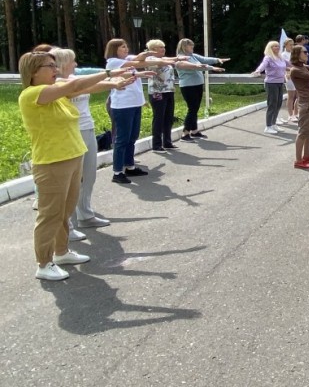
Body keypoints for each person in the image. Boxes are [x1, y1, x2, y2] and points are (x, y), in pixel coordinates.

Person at [19, 50, 133, 280]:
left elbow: (83, 88)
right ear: (33, 72)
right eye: (49, 66)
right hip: (51, 162)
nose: (55, 70)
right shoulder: (33, 94)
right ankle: (43, 263)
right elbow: (74, 85)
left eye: (55, 65)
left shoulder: (55, 93)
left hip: (72, 157)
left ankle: (61, 252)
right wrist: (109, 73)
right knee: (49, 214)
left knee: (65, 210)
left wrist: (114, 82)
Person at [105, 39, 173, 184]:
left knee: (133, 136)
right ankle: (117, 172)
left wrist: (142, 69)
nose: (126, 49)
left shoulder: (127, 59)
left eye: (126, 46)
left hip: (135, 103)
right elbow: (138, 63)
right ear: (114, 49)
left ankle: (129, 166)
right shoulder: (113, 62)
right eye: (123, 47)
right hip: (122, 106)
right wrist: (149, 54)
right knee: (122, 139)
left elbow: (138, 59)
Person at [145, 39, 216, 154]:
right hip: (157, 92)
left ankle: (167, 142)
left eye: (164, 47)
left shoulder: (165, 59)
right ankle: (156, 145)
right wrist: (178, 59)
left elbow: (169, 62)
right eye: (160, 47)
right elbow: (164, 63)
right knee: (159, 118)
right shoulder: (150, 59)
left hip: (169, 91)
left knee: (168, 118)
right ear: (153, 50)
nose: (163, 49)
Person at [175, 38, 228, 142]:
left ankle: (194, 131)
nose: (192, 47)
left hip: (198, 84)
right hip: (188, 86)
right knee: (192, 109)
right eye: (191, 46)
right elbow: (197, 67)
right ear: (184, 47)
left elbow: (204, 59)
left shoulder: (193, 56)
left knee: (195, 108)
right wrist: (212, 68)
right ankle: (185, 134)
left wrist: (217, 60)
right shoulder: (181, 58)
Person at [288, 45, 309, 170]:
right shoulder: (295, 70)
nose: (307, 54)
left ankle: (306, 155)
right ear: (297, 54)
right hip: (305, 104)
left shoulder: (303, 67)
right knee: (303, 132)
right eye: (305, 52)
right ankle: (298, 160)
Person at [250, 41, 290, 134]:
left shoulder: (280, 58)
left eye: (278, 46)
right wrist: (258, 71)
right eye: (274, 46)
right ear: (270, 48)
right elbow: (262, 66)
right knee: (272, 104)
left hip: (280, 83)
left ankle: (273, 123)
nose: (277, 48)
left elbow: (289, 65)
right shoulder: (268, 58)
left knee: (279, 103)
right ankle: (268, 126)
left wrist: (301, 67)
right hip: (271, 83)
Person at [281, 38, 298, 123]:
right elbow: (284, 66)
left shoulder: (294, 53)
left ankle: (296, 113)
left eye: (293, 44)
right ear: (286, 45)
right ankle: (290, 115)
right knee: (291, 96)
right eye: (290, 44)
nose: (292, 46)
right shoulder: (283, 54)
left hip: (297, 75)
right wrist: (288, 73)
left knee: (298, 95)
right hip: (289, 76)